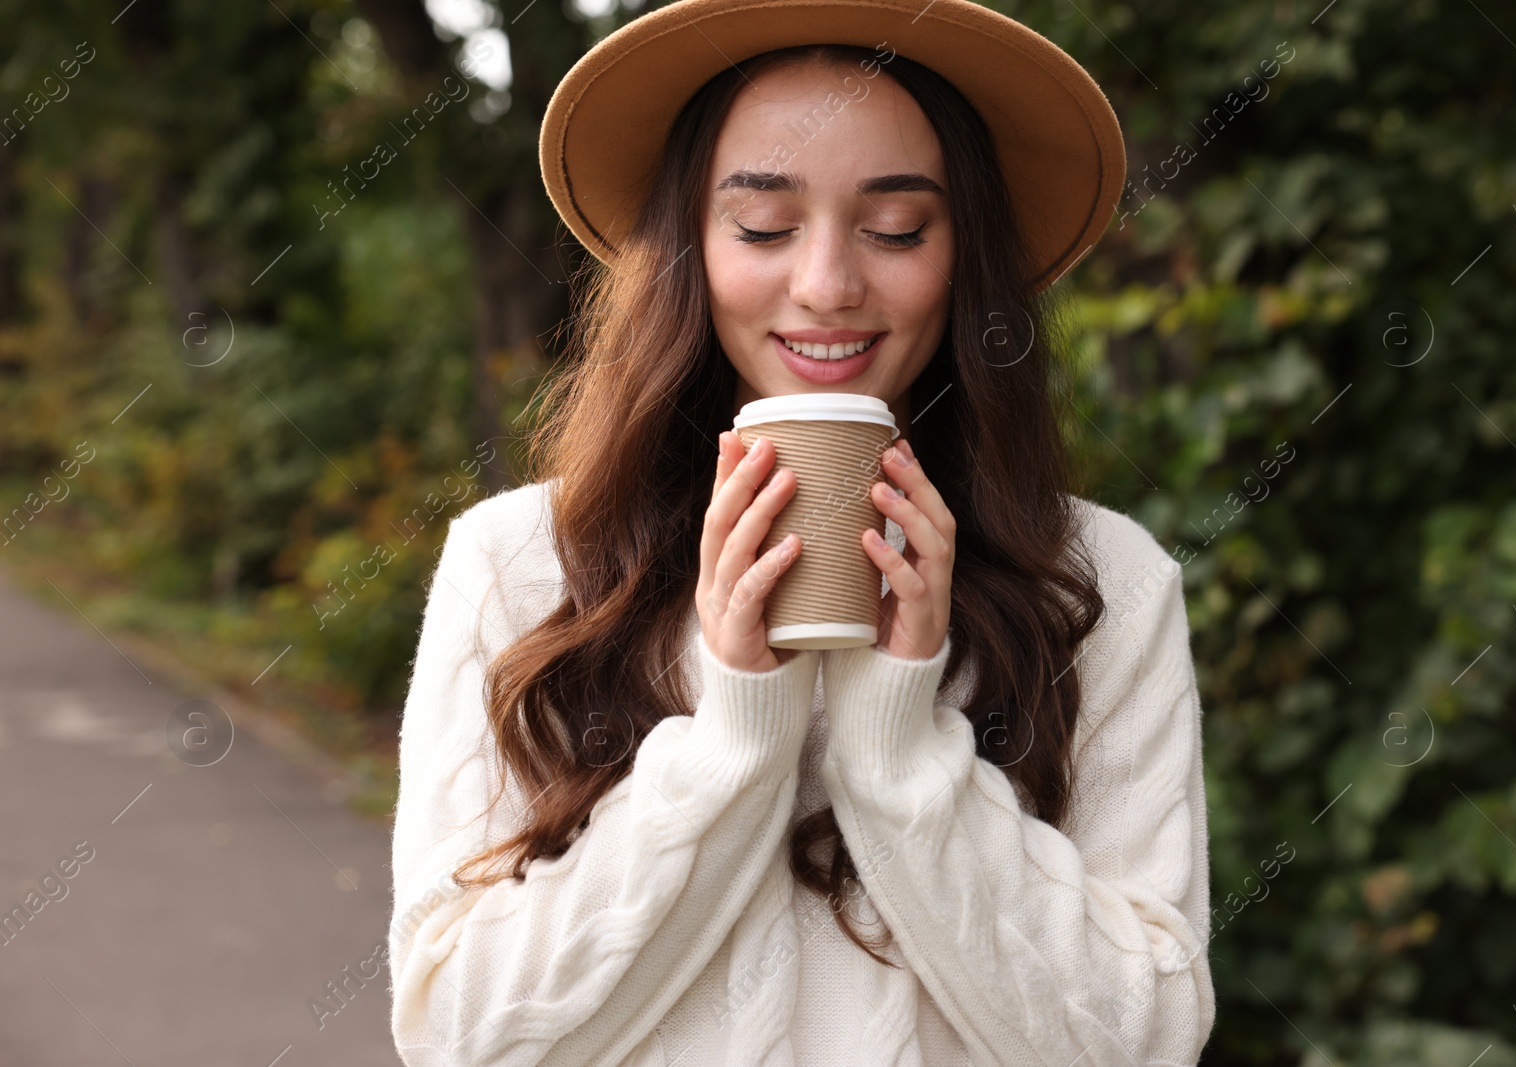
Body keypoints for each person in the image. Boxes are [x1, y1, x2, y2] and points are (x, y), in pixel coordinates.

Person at [387, 0, 1215, 1063]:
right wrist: (734, 733)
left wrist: (898, 739)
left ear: (966, 254)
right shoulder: (515, 565)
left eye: (896, 228)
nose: (826, 285)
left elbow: (1139, 1038)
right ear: (686, 244)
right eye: (764, 226)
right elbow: (463, 1033)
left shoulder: (1103, 583)